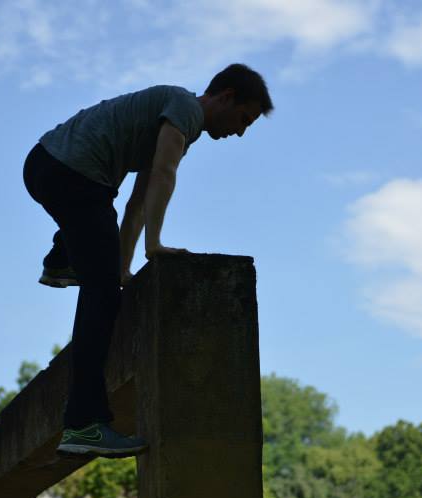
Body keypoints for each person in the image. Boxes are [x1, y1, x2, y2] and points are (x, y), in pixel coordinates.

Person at [23, 63, 273, 458]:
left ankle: (61, 258)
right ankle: (84, 424)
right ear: (225, 96)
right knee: (101, 295)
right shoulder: (186, 110)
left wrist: (122, 267)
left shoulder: (164, 114)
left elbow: (138, 200)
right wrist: (153, 246)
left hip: (45, 165)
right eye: (243, 119)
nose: (240, 132)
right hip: (75, 175)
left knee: (102, 267)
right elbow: (163, 174)